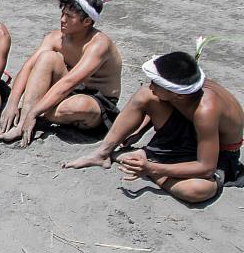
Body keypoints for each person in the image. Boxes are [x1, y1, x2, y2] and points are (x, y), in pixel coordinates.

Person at [64, 51, 244, 203]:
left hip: (216, 155)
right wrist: (140, 129)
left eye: (156, 83)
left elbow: (206, 167)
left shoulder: (206, 110)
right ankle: (102, 154)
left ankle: (151, 164)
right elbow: (171, 104)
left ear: (178, 95)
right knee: (145, 95)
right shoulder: (186, 87)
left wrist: (152, 169)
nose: (151, 86)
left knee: (198, 190)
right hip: (188, 133)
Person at [0, 0, 121, 147]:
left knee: (79, 106)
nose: (62, 20)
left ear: (87, 21)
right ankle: (23, 124)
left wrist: (34, 112)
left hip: (97, 101)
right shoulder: (55, 37)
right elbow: (28, 67)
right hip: (67, 92)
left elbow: (70, 82)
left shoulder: (99, 44)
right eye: (62, 13)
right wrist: (12, 102)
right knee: (47, 57)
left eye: (69, 17)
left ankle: (34, 114)